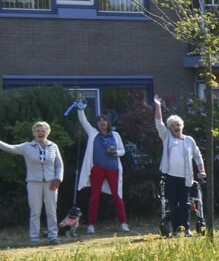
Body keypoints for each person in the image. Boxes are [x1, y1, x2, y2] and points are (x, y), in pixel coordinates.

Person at [0, 121, 64, 245]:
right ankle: (34, 238)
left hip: (51, 182)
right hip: (34, 182)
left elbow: (59, 165)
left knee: (51, 210)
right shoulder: (27, 146)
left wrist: (58, 178)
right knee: (35, 211)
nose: (40, 132)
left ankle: (53, 236)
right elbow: (9, 147)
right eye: (38, 130)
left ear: (48, 132)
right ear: (34, 133)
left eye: (43, 130)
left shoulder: (53, 146)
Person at [73, 97, 130, 233]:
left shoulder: (115, 135)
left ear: (108, 123)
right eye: (99, 121)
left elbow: (122, 151)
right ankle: (91, 224)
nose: (102, 122)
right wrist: (80, 108)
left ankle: (123, 223)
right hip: (97, 168)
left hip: (113, 169)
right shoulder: (93, 133)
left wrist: (115, 152)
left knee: (117, 196)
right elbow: (83, 121)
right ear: (97, 124)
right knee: (94, 196)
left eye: (104, 120)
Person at [153, 97, 206, 237]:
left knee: (185, 204)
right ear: (170, 128)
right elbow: (158, 123)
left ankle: (186, 229)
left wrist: (202, 171)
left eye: (178, 124)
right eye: (173, 125)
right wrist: (158, 105)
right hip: (170, 176)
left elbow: (197, 155)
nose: (176, 127)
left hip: (186, 177)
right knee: (174, 204)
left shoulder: (189, 140)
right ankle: (177, 229)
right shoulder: (167, 137)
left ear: (182, 126)